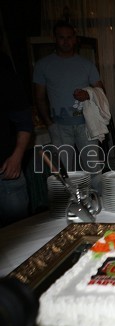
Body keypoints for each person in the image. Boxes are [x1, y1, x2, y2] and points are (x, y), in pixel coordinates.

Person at [33, 20, 105, 191]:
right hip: (59, 126)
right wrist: (49, 122)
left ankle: (100, 206)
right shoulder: (43, 65)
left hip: (85, 124)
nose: (65, 41)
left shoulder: (87, 65)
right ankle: (69, 208)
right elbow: (39, 97)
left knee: (94, 169)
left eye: (69, 37)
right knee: (65, 172)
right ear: (55, 39)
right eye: (61, 37)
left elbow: (101, 92)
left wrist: (87, 94)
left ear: (75, 39)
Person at [0, 50, 33, 226]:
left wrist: (16, 156)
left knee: (17, 230)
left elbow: (24, 119)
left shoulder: (3, 67)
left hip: (5, 168)